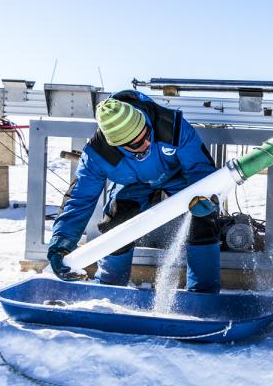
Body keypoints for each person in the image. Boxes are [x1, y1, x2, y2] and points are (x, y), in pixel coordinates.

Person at [47, 90, 221, 292]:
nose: (147, 143)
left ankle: (204, 294)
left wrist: (206, 196)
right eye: (137, 143)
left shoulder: (171, 126)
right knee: (117, 222)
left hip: (178, 176)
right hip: (132, 184)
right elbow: (79, 199)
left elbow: (200, 170)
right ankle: (110, 289)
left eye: (147, 134)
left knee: (203, 218)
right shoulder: (98, 154)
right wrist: (61, 243)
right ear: (117, 145)